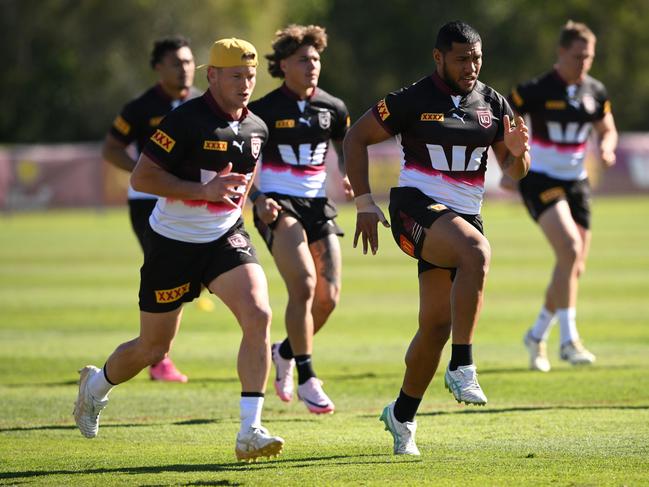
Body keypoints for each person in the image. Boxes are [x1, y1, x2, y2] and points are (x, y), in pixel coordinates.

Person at [75, 38, 285, 462]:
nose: (245, 84)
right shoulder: (184, 120)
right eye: (236, 77)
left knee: (259, 314)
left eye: (250, 76)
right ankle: (95, 388)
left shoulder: (257, 127)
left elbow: (243, 177)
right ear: (212, 76)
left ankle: (250, 429)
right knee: (153, 349)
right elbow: (142, 178)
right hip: (172, 243)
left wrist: (259, 197)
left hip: (225, 237)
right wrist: (202, 190)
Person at [343, 21, 530, 455]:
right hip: (414, 206)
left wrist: (518, 155)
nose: (471, 67)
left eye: (477, 58)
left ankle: (402, 415)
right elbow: (356, 138)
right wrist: (365, 203)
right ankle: (463, 365)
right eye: (462, 58)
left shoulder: (492, 102)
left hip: (463, 216)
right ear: (438, 57)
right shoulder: (410, 99)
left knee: (435, 325)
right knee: (476, 253)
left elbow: (514, 177)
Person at [247, 24, 352, 414]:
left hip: (317, 205)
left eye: (316, 59)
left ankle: (285, 352)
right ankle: (308, 377)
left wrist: (347, 173)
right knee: (304, 284)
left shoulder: (333, 107)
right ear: (283, 66)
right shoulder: (261, 112)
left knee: (328, 297)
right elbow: (240, 165)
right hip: (278, 204)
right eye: (303, 60)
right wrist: (257, 198)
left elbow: (347, 146)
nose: (312, 65)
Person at [503, 21, 618, 372]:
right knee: (568, 249)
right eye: (578, 55)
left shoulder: (595, 91)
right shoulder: (534, 89)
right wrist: (511, 165)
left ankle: (536, 335)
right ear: (561, 52)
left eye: (589, 56)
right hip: (540, 179)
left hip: (577, 182)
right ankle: (569, 340)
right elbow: (506, 122)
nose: (584, 62)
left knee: (573, 266)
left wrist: (608, 148)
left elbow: (606, 128)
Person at [102, 35, 201, 383]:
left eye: (189, 62)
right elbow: (111, 149)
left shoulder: (203, 105)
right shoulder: (140, 107)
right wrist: (146, 175)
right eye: (176, 63)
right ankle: (158, 357)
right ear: (159, 68)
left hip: (191, 202)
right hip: (148, 204)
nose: (185, 69)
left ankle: (157, 351)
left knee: (195, 275)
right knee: (168, 275)